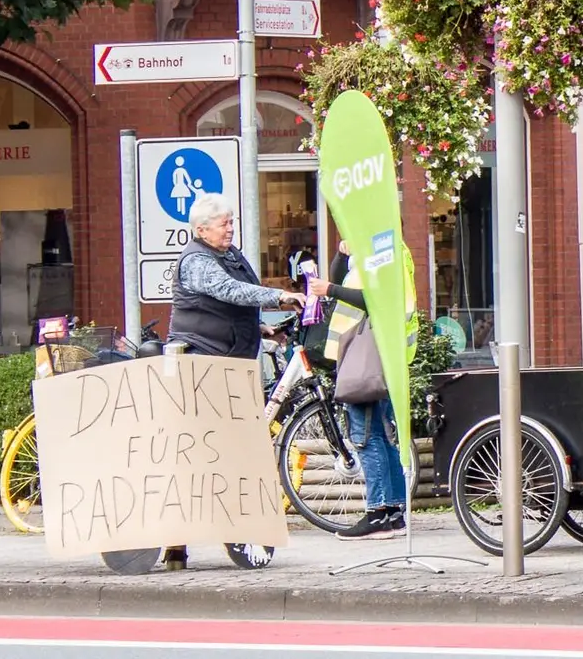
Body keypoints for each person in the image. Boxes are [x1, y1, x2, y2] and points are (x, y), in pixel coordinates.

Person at [164, 193, 305, 569]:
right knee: (211, 454)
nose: (230, 228)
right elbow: (227, 291)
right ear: (201, 229)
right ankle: (181, 540)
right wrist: (279, 296)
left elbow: (226, 309)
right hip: (202, 367)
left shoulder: (228, 255)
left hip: (229, 365)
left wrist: (262, 330)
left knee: (232, 450)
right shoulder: (196, 259)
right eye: (224, 223)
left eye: (231, 222)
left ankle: (223, 530)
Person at [307, 239, 416, 540]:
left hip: (368, 355)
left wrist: (329, 290)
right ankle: (393, 513)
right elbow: (341, 277)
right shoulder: (379, 245)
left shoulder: (383, 248)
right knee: (380, 435)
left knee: (366, 437)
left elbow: (376, 298)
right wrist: (343, 254)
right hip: (374, 353)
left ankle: (378, 513)